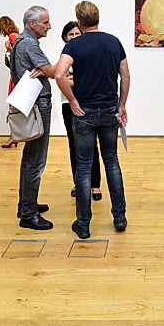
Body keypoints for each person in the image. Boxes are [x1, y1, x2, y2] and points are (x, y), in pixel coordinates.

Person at [55, 1, 130, 240]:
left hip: (84, 113)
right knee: (112, 162)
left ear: (79, 21)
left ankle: (83, 224)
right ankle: (119, 217)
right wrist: (121, 105)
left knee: (84, 166)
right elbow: (125, 76)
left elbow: (59, 74)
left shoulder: (74, 45)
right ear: (98, 18)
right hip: (109, 111)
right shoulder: (113, 42)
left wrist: (72, 101)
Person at [10, 6, 55, 230]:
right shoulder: (29, 44)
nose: (49, 27)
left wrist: (44, 70)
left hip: (32, 103)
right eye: (45, 22)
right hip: (38, 104)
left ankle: (26, 204)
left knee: (31, 156)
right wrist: (49, 69)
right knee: (36, 160)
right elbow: (53, 72)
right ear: (32, 24)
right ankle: (28, 214)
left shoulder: (21, 41)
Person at [59, 21, 102, 201]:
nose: (74, 37)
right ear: (65, 37)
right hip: (68, 104)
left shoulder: (88, 53)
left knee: (92, 144)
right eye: (71, 34)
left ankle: (95, 185)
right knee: (74, 144)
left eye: (77, 34)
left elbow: (82, 79)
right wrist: (74, 79)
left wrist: (72, 79)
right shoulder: (65, 54)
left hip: (87, 103)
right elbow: (61, 78)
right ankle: (79, 183)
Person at [0, 15, 21, 148]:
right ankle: (15, 136)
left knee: (14, 109)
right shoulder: (18, 36)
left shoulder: (12, 37)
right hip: (17, 77)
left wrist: (8, 49)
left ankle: (14, 136)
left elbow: (14, 60)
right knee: (16, 109)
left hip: (16, 79)